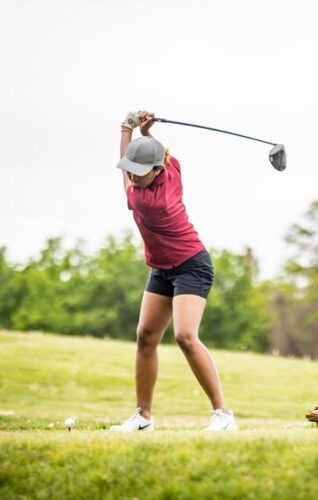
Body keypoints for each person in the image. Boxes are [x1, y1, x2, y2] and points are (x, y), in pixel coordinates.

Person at [110, 110, 237, 432]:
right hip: (162, 268)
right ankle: (143, 417)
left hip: (191, 265)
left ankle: (223, 415)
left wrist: (128, 128)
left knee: (184, 336)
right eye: (132, 171)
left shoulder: (148, 201)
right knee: (145, 336)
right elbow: (143, 157)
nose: (134, 176)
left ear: (156, 170)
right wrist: (143, 133)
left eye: (140, 172)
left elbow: (126, 177)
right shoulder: (171, 168)